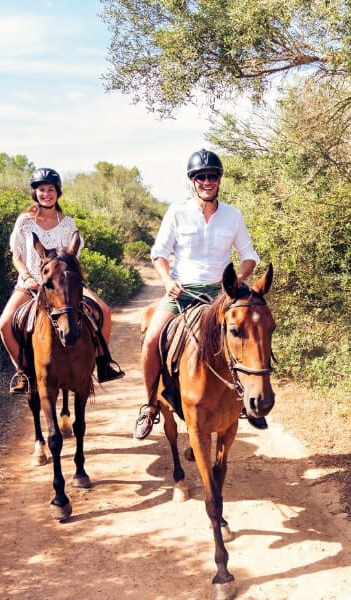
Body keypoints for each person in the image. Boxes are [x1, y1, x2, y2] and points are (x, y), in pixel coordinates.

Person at [133, 149, 264, 440]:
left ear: (219, 180)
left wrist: (237, 280)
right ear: (192, 181)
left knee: (248, 337)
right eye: (201, 177)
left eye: (212, 176)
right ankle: (150, 405)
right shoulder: (177, 212)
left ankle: (246, 401)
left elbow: (249, 255)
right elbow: (159, 254)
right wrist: (167, 281)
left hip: (220, 297)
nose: (207, 181)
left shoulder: (233, 215)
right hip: (182, 291)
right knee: (152, 340)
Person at [0, 167, 125, 394]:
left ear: (58, 192)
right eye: (41, 190)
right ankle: (23, 372)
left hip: (64, 285)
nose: (46, 194)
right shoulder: (24, 222)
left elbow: (73, 258)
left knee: (104, 311)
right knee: (4, 324)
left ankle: (102, 362)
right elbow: (16, 256)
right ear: (34, 193)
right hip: (31, 284)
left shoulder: (68, 224)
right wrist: (27, 277)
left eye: (50, 189)